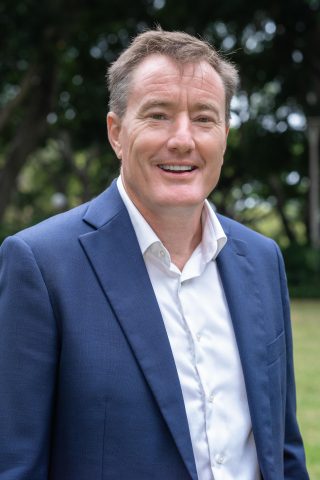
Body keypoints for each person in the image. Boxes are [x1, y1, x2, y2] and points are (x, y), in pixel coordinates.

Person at [0, 29, 309, 480]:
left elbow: (282, 450)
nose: (183, 140)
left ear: (224, 134)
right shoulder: (41, 265)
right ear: (116, 133)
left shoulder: (263, 260)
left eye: (204, 118)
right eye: (158, 116)